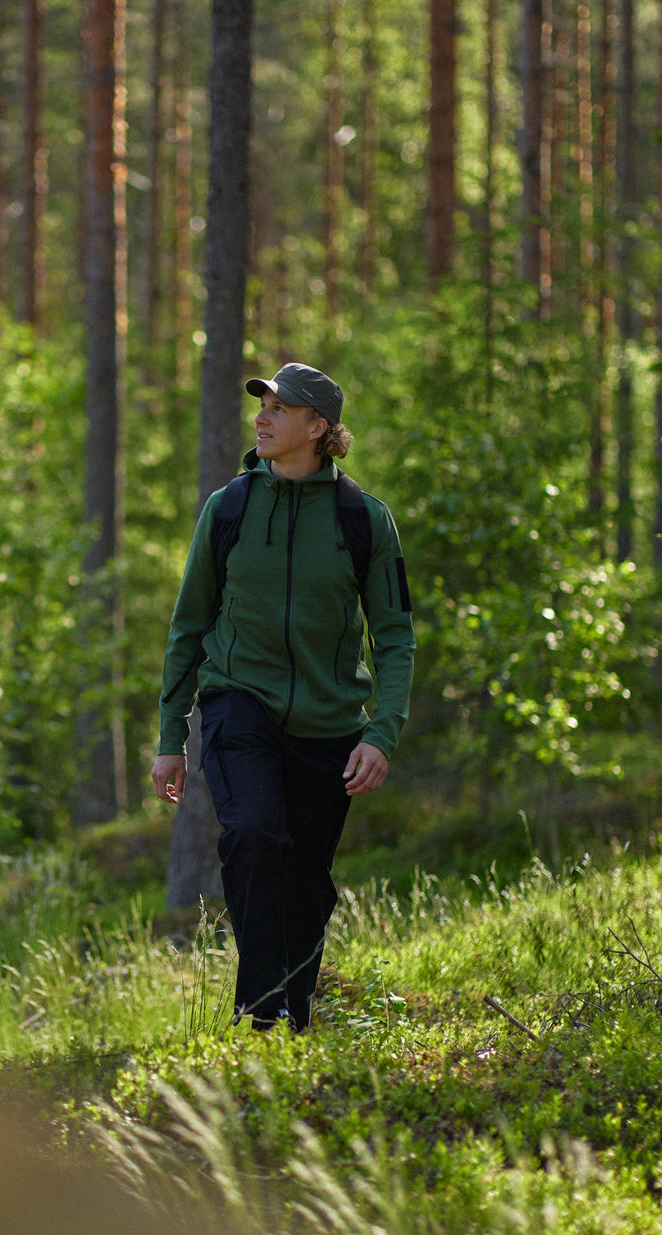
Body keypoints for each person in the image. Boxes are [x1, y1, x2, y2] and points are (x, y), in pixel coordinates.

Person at [151, 362, 415, 1032]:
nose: (262, 418)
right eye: (261, 405)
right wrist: (170, 737)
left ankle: (295, 1015)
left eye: (279, 408)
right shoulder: (230, 508)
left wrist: (381, 733)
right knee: (252, 834)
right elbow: (189, 624)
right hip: (239, 698)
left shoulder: (364, 519)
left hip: (330, 722)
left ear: (319, 428)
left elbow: (394, 636)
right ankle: (258, 1011)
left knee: (308, 881)